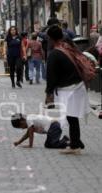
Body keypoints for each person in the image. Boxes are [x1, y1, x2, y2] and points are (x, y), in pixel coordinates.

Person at [45, 25, 90, 154]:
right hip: (78, 86)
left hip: (69, 89)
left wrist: (48, 93)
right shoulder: (68, 46)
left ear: (50, 38)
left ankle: (75, 146)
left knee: (71, 116)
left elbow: (51, 77)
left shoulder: (55, 54)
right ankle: (77, 142)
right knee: (72, 116)